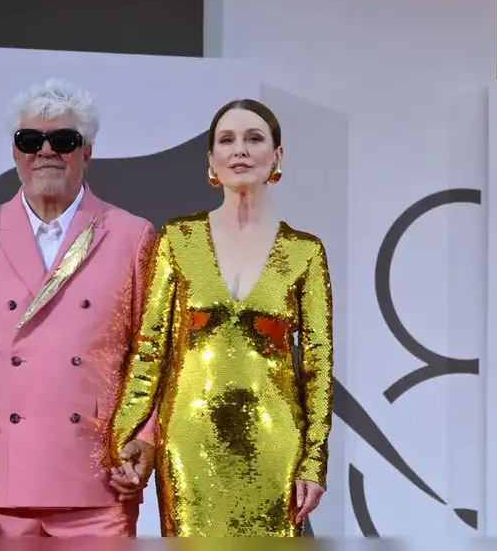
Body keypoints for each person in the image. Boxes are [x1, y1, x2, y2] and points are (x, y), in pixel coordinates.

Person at [107, 98, 334, 537]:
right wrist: (126, 433)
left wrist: (314, 460)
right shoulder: (178, 238)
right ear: (211, 161)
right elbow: (150, 348)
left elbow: (318, 367)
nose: (240, 151)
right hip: (189, 443)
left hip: (276, 445)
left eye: (254, 139)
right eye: (227, 141)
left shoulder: (305, 252)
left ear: (277, 156)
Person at [0, 78, 158, 537]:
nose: (46, 151)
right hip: (1, 476)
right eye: (31, 140)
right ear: (14, 152)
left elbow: (154, 351)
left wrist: (145, 442)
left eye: (63, 140)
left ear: (87, 152)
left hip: (99, 477)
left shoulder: (130, 235)